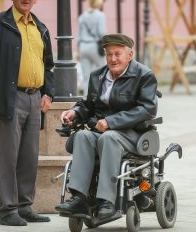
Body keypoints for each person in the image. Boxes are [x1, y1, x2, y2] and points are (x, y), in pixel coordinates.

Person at [55, 34, 158, 219]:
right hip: (102, 133)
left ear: (130, 55)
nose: (113, 58)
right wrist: (75, 112)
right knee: (82, 136)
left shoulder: (144, 75)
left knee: (108, 137)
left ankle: (107, 202)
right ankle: (79, 199)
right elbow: (88, 104)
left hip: (132, 134)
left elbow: (147, 109)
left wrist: (112, 122)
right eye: (109, 54)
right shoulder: (98, 76)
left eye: (117, 54)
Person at [0, 0, 53, 227]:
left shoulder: (40, 27)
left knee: (29, 156)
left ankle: (24, 205)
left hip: (35, 99)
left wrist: (47, 93)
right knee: (8, 156)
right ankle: (8, 209)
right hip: (10, 98)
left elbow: (48, 66)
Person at [77, 0, 106, 97]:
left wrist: (78, 51)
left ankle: (86, 99)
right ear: (99, 3)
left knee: (86, 76)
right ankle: (101, 96)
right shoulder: (100, 15)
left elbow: (79, 35)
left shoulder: (82, 16)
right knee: (103, 72)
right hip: (94, 46)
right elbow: (101, 32)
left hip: (83, 47)